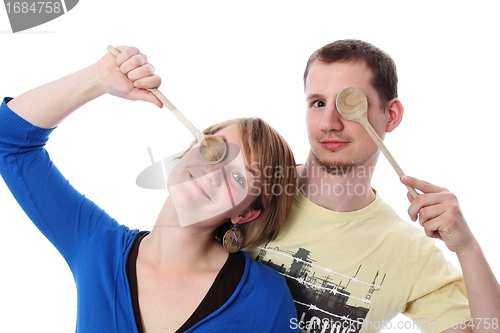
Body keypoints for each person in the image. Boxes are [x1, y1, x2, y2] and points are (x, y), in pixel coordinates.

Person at [0, 46, 299, 332]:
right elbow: (9, 140)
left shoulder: (265, 299)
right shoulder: (97, 248)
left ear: (245, 214)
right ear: (191, 150)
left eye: (238, 178)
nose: (214, 173)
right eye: (215, 149)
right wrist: (98, 78)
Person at [245, 39, 500, 333]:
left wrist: (468, 248)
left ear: (391, 115)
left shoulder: (410, 254)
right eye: (318, 103)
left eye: (349, 103)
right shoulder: (248, 190)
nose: (329, 123)